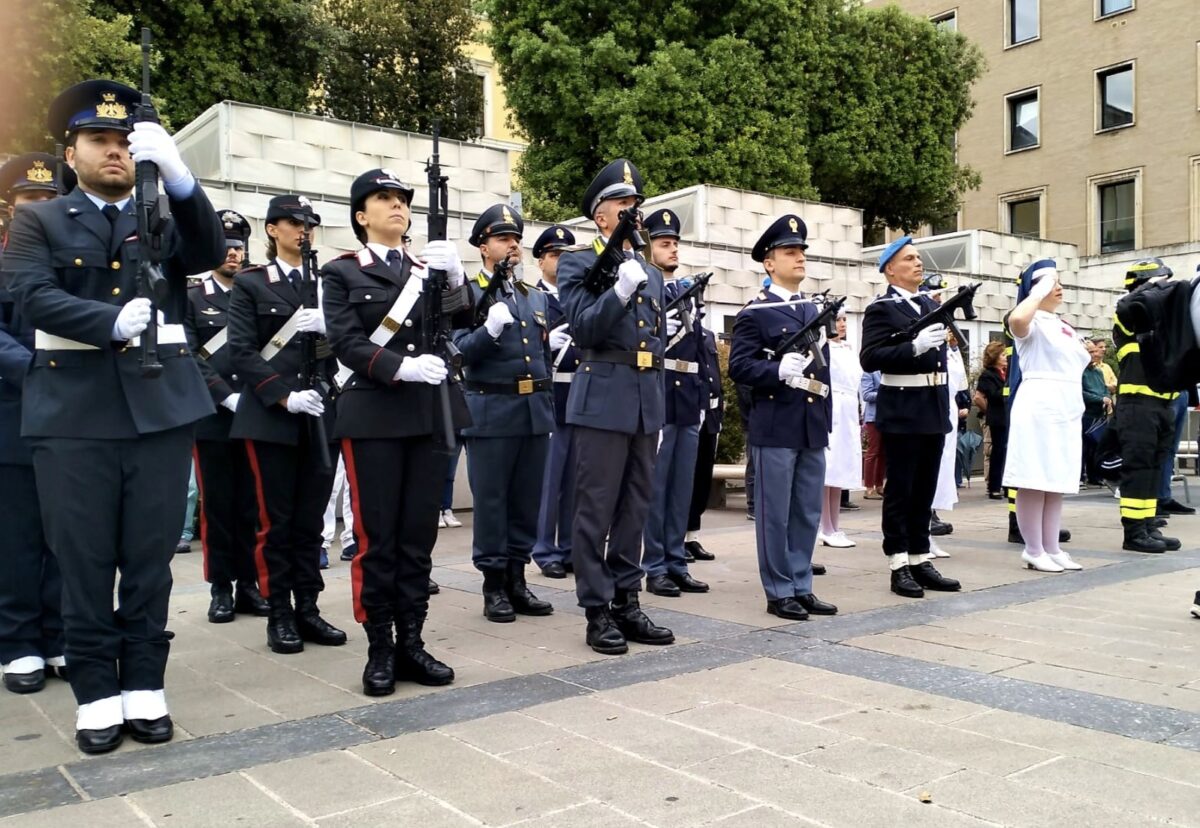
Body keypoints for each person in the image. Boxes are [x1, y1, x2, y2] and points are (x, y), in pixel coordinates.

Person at [4, 80, 224, 753]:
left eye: (126, 141)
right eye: (99, 139)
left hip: (159, 414)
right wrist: (107, 322)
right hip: (72, 416)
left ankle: (145, 685)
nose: (115, 150)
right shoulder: (39, 220)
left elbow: (209, 252)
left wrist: (184, 182)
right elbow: (30, 294)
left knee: (150, 558)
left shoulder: (162, 212)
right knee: (85, 561)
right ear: (71, 152)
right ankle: (97, 691)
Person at [322, 167, 467, 695]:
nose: (398, 207)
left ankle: (412, 641)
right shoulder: (341, 272)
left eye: (403, 200)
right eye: (384, 200)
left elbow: (462, 319)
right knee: (377, 538)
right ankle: (379, 646)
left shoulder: (426, 268)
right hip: (375, 414)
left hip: (429, 413)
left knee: (417, 538)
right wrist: (398, 368)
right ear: (362, 216)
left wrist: (455, 279)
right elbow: (344, 340)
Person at [556, 158, 675, 654]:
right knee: (594, 510)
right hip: (602, 398)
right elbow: (584, 330)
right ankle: (596, 609)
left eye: (636, 205)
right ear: (600, 216)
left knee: (634, 509)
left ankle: (628, 600)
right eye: (623, 205)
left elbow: (657, 341)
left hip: (645, 400)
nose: (633, 213)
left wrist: (659, 406)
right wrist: (620, 291)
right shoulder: (578, 263)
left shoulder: (650, 268)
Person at [227, 194, 347, 654]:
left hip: (319, 415)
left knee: (309, 520)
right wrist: (283, 394)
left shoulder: (326, 282)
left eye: (309, 223)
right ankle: (279, 611)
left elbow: (350, 344)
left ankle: (308, 608)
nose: (304, 230)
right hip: (271, 418)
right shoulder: (252, 284)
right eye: (293, 222)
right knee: (274, 522)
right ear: (272, 229)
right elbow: (241, 351)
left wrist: (331, 331)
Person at [729, 214, 837, 620]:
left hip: (810, 422)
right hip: (775, 424)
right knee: (774, 512)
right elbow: (739, 368)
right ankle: (779, 591)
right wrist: (775, 371)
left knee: (807, 510)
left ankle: (801, 583)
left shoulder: (810, 308)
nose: (800, 258)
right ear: (769, 263)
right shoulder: (755, 313)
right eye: (790, 252)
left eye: (802, 252)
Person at [453, 204, 555, 623]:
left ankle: (517, 577)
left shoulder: (533, 296)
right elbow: (458, 351)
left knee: (526, 501)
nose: (512, 245)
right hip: (491, 410)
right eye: (502, 238)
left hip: (533, 410)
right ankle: (493, 584)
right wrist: (487, 331)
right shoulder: (466, 293)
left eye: (516, 239)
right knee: (493, 502)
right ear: (483, 247)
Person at [0, 152, 73, 696]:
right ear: (11, 207)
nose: (40, 208)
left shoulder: (78, 258)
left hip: (74, 414)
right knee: (19, 538)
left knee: (68, 537)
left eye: (50, 200)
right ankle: (18, 642)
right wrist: (37, 369)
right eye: (31, 200)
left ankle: (60, 634)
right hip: (15, 413)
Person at [859, 236, 962, 599]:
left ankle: (921, 556)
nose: (918, 264)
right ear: (890, 268)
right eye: (909, 259)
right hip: (903, 407)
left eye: (919, 258)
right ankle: (898, 562)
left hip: (932, 404)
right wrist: (913, 347)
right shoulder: (882, 308)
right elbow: (870, 357)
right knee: (901, 490)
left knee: (924, 489)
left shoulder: (925, 304)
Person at [183, 209, 270, 623]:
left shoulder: (254, 294)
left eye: (238, 247)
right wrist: (224, 396)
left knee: (251, 506)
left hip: (254, 411)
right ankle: (221, 587)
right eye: (226, 246)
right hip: (215, 418)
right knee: (218, 505)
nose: (233, 254)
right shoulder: (193, 297)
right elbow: (187, 356)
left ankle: (249, 584)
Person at [1002, 260, 1089, 572]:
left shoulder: (1062, 325)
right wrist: (1036, 290)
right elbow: (1016, 319)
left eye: (1058, 280)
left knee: (1055, 480)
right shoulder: (1031, 319)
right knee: (1033, 478)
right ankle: (1033, 549)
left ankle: (1052, 547)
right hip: (1039, 404)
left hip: (1066, 404)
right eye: (1049, 282)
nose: (1057, 286)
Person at [641, 208, 709, 597]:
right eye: (664, 243)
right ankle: (654, 565)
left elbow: (700, 350)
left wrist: (703, 398)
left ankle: (676, 558)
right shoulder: (644, 289)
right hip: (660, 390)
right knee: (656, 487)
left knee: (682, 486)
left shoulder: (687, 292)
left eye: (675, 243)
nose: (673, 249)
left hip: (686, 396)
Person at [1113, 258, 1181, 553]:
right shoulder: (1128, 312)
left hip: (1163, 404)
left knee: (1155, 468)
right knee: (1139, 468)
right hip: (1137, 404)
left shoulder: (1160, 320)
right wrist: (1151, 287)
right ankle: (1134, 532)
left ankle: (1149, 524)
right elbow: (1129, 305)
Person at [531, 223, 579, 579]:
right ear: (541, 261)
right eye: (554, 255)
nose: (560, 262)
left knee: (577, 478)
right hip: (550, 393)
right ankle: (544, 548)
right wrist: (544, 349)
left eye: (566, 256)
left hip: (580, 394)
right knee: (550, 480)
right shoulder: (534, 300)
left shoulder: (578, 297)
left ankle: (570, 546)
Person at [819, 309, 861, 549]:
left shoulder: (848, 349)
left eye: (844, 319)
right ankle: (825, 526)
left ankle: (835, 525)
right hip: (831, 407)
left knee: (841, 470)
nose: (842, 324)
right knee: (829, 470)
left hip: (847, 410)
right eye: (837, 320)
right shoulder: (824, 349)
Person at [685, 327, 722, 562]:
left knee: (701, 480)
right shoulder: (684, 331)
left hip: (709, 415)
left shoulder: (707, 335)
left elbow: (714, 373)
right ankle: (676, 537)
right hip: (690, 412)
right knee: (684, 480)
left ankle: (692, 536)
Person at [975, 340, 1009, 498]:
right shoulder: (988, 375)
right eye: (1002, 355)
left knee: (1008, 452)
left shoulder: (1007, 373)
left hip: (1009, 416)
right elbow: (990, 395)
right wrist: (1007, 388)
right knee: (998, 451)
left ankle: (1008, 484)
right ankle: (994, 487)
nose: (1005, 358)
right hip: (998, 417)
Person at [1080, 340, 1111, 487]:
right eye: (1090, 352)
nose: (1095, 354)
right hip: (1085, 413)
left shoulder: (1098, 371)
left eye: (1094, 351)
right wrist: (1100, 399)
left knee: (1096, 446)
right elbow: (1080, 392)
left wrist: (1107, 398)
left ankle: (1095, 476)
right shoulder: (1079, 372)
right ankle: (1080, 476)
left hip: (1099, 413)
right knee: (1083, 447)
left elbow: (1105, 388)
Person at [860, 369, 884, 499]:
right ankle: (869, 487)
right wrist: (886, 392)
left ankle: (879, 485)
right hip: (873, 417)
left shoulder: (888, 371)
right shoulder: (870, 372)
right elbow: (866, 395)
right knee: (873, 452)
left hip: (887, 416)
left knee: (883, 453)